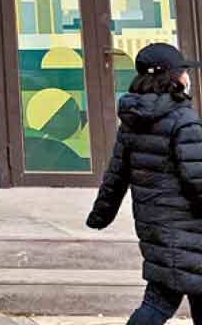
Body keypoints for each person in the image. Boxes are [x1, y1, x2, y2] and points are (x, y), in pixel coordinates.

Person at [88, 42, 202, 325]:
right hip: (189, 233)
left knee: (162, 300)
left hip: (156, 229)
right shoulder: (183, 119)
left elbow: (116, 176)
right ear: (172, 76)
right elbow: (198, 178)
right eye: (183, 71)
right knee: (158, 304)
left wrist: (100, 215)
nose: (187, 76)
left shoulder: (132, 121)